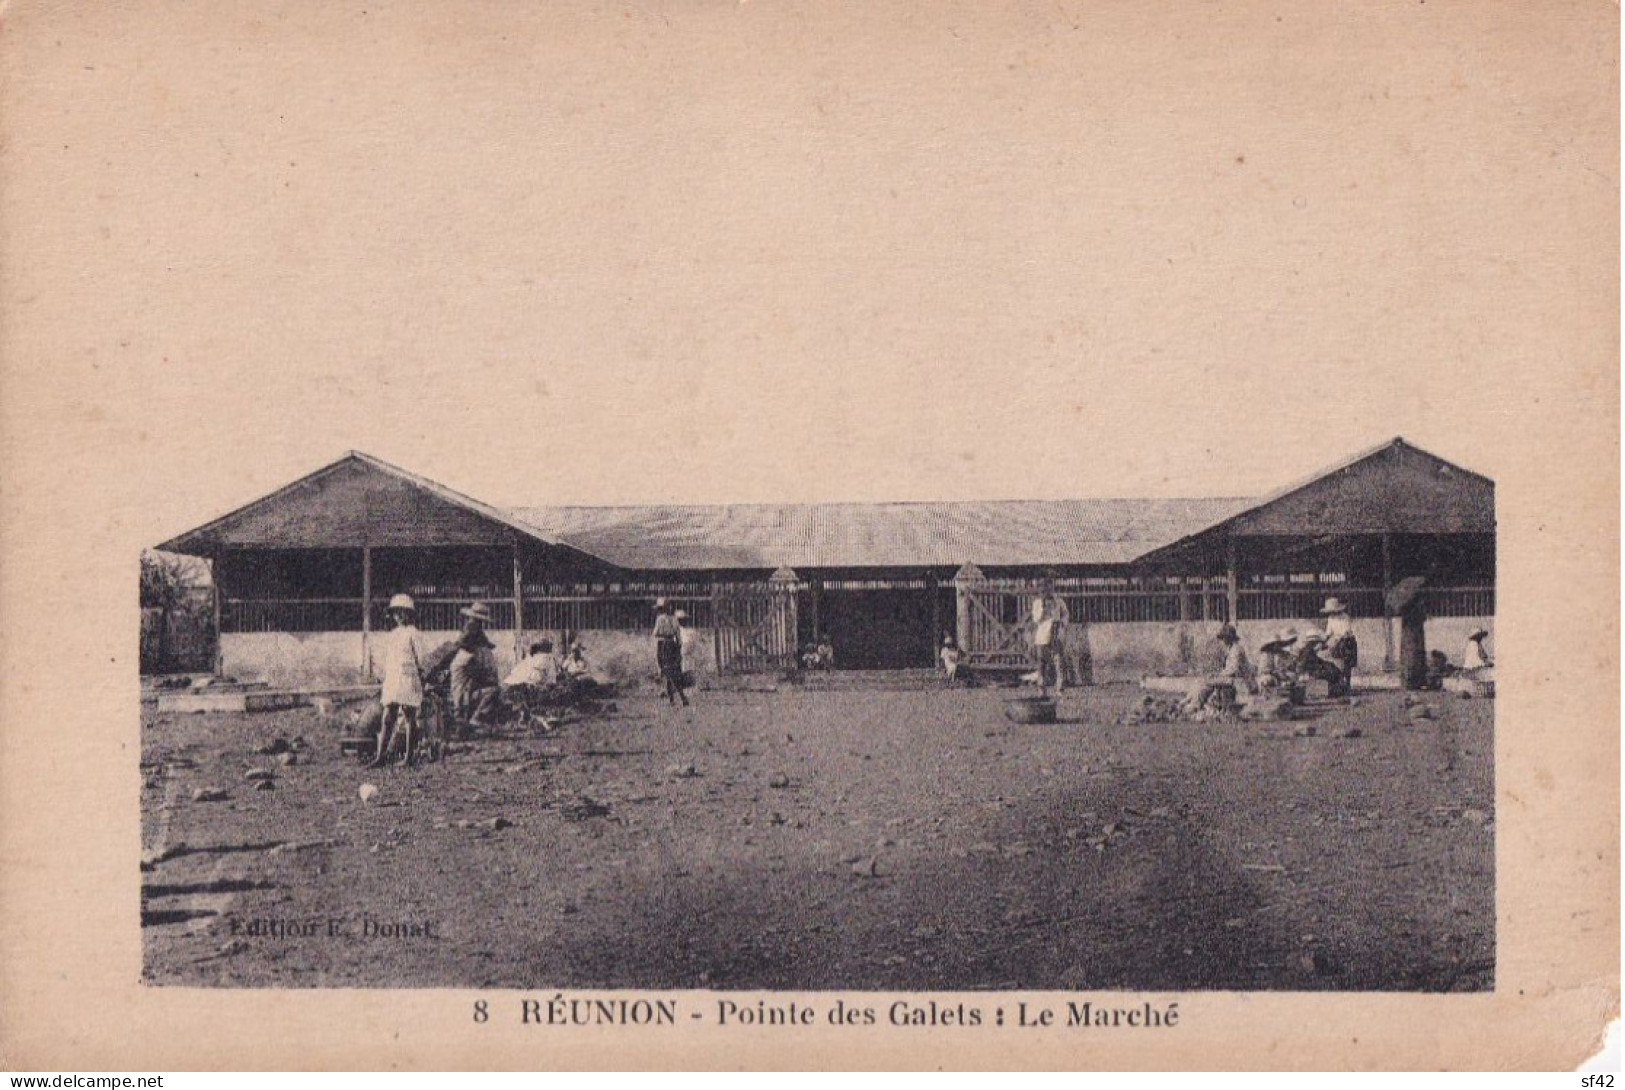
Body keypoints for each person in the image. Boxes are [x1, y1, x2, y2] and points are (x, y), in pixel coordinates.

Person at [369, 594, 427, 768]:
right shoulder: (393, 635)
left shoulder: (414, 633)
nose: (400, 616)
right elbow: (389, 658)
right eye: (397, 613)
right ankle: (381, 756)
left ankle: (408, 757)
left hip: (408, 677)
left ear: (410, 615)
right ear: (393, 615)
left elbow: (420, 658)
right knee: (388, 716)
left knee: (409, 716)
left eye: (404, 612)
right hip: (394, 678)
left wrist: (421, 675)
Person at [449, 602, 500, 734]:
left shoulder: (476, 627)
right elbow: (462, 643)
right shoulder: (471, 627)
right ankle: (465, 721)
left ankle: (467, 721)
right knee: (461, 692)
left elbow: (484, 641)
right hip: (464, 661)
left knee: (467, 690)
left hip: (468, 660)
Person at [1184, 623, 1253, 713]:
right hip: (1233, 678)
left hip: (1239, 680)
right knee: (1205, 680)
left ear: (1229, 638)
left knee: (1208, 682)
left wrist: (1218, 675)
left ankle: (1195, 705)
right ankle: (1191, 702)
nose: (1223, 640)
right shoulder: (1231, 649)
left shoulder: (1236, 650)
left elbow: (1233, 669)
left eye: (1224, 637)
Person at [1318, 596, 1358, 694]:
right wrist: (1322, 641)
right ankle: (1340, 685)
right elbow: (1328, 633)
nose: (1332, 613)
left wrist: (1334, 642)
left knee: (1347, 665)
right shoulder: (1331, 618)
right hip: (1337, 642)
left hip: (1347, 641)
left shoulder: (1345, 617)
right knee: (1338, 664)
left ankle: (1347, 686)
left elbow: (1345, 633)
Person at [652, 598, 688, 706]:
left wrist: (678, 648)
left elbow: (656, 633)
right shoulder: (667, 619)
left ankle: (681, 697)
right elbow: (657, 633)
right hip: (668, 644)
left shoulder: (667, 619)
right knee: (671, 672)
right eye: (668, 606)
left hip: (667, 645)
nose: (670, 608)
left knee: (669, 672)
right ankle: (673, 698)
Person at [1030, 597, 1062, 695]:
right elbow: (1036, 619)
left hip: (1054, 635)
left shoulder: (1057, 601)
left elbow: (1063, 615)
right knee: (1041, 663)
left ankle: (1059, 688)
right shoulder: (1037, 603)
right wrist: (1043, 607)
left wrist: (1061, 627)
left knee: (1058, 662)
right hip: (1042, 636)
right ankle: (1041, 689)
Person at [676, 610, 702, 689]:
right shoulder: (691, 631)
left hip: (683, 650)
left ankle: (683, 680)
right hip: (690, 652)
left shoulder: (677, 631)